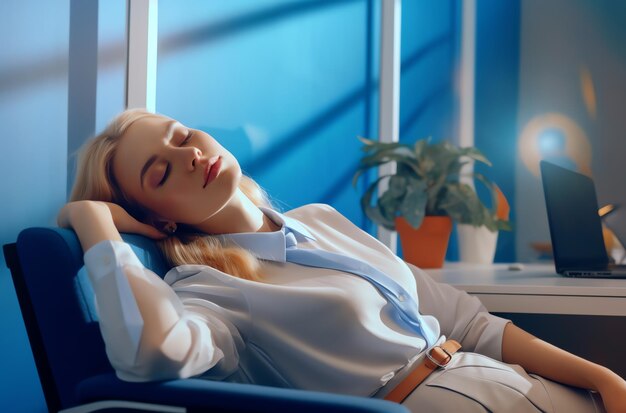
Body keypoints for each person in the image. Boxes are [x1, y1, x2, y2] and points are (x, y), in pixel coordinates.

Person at [58, 109, 626, 412]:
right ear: (158, 221)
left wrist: (602, 378)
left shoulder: (321, 219)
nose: (189, 156)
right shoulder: (210, 292)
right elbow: (148, 353)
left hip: (508, 381)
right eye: (159, 172)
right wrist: (97, 224)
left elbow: (469, 323)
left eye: (182, 135)